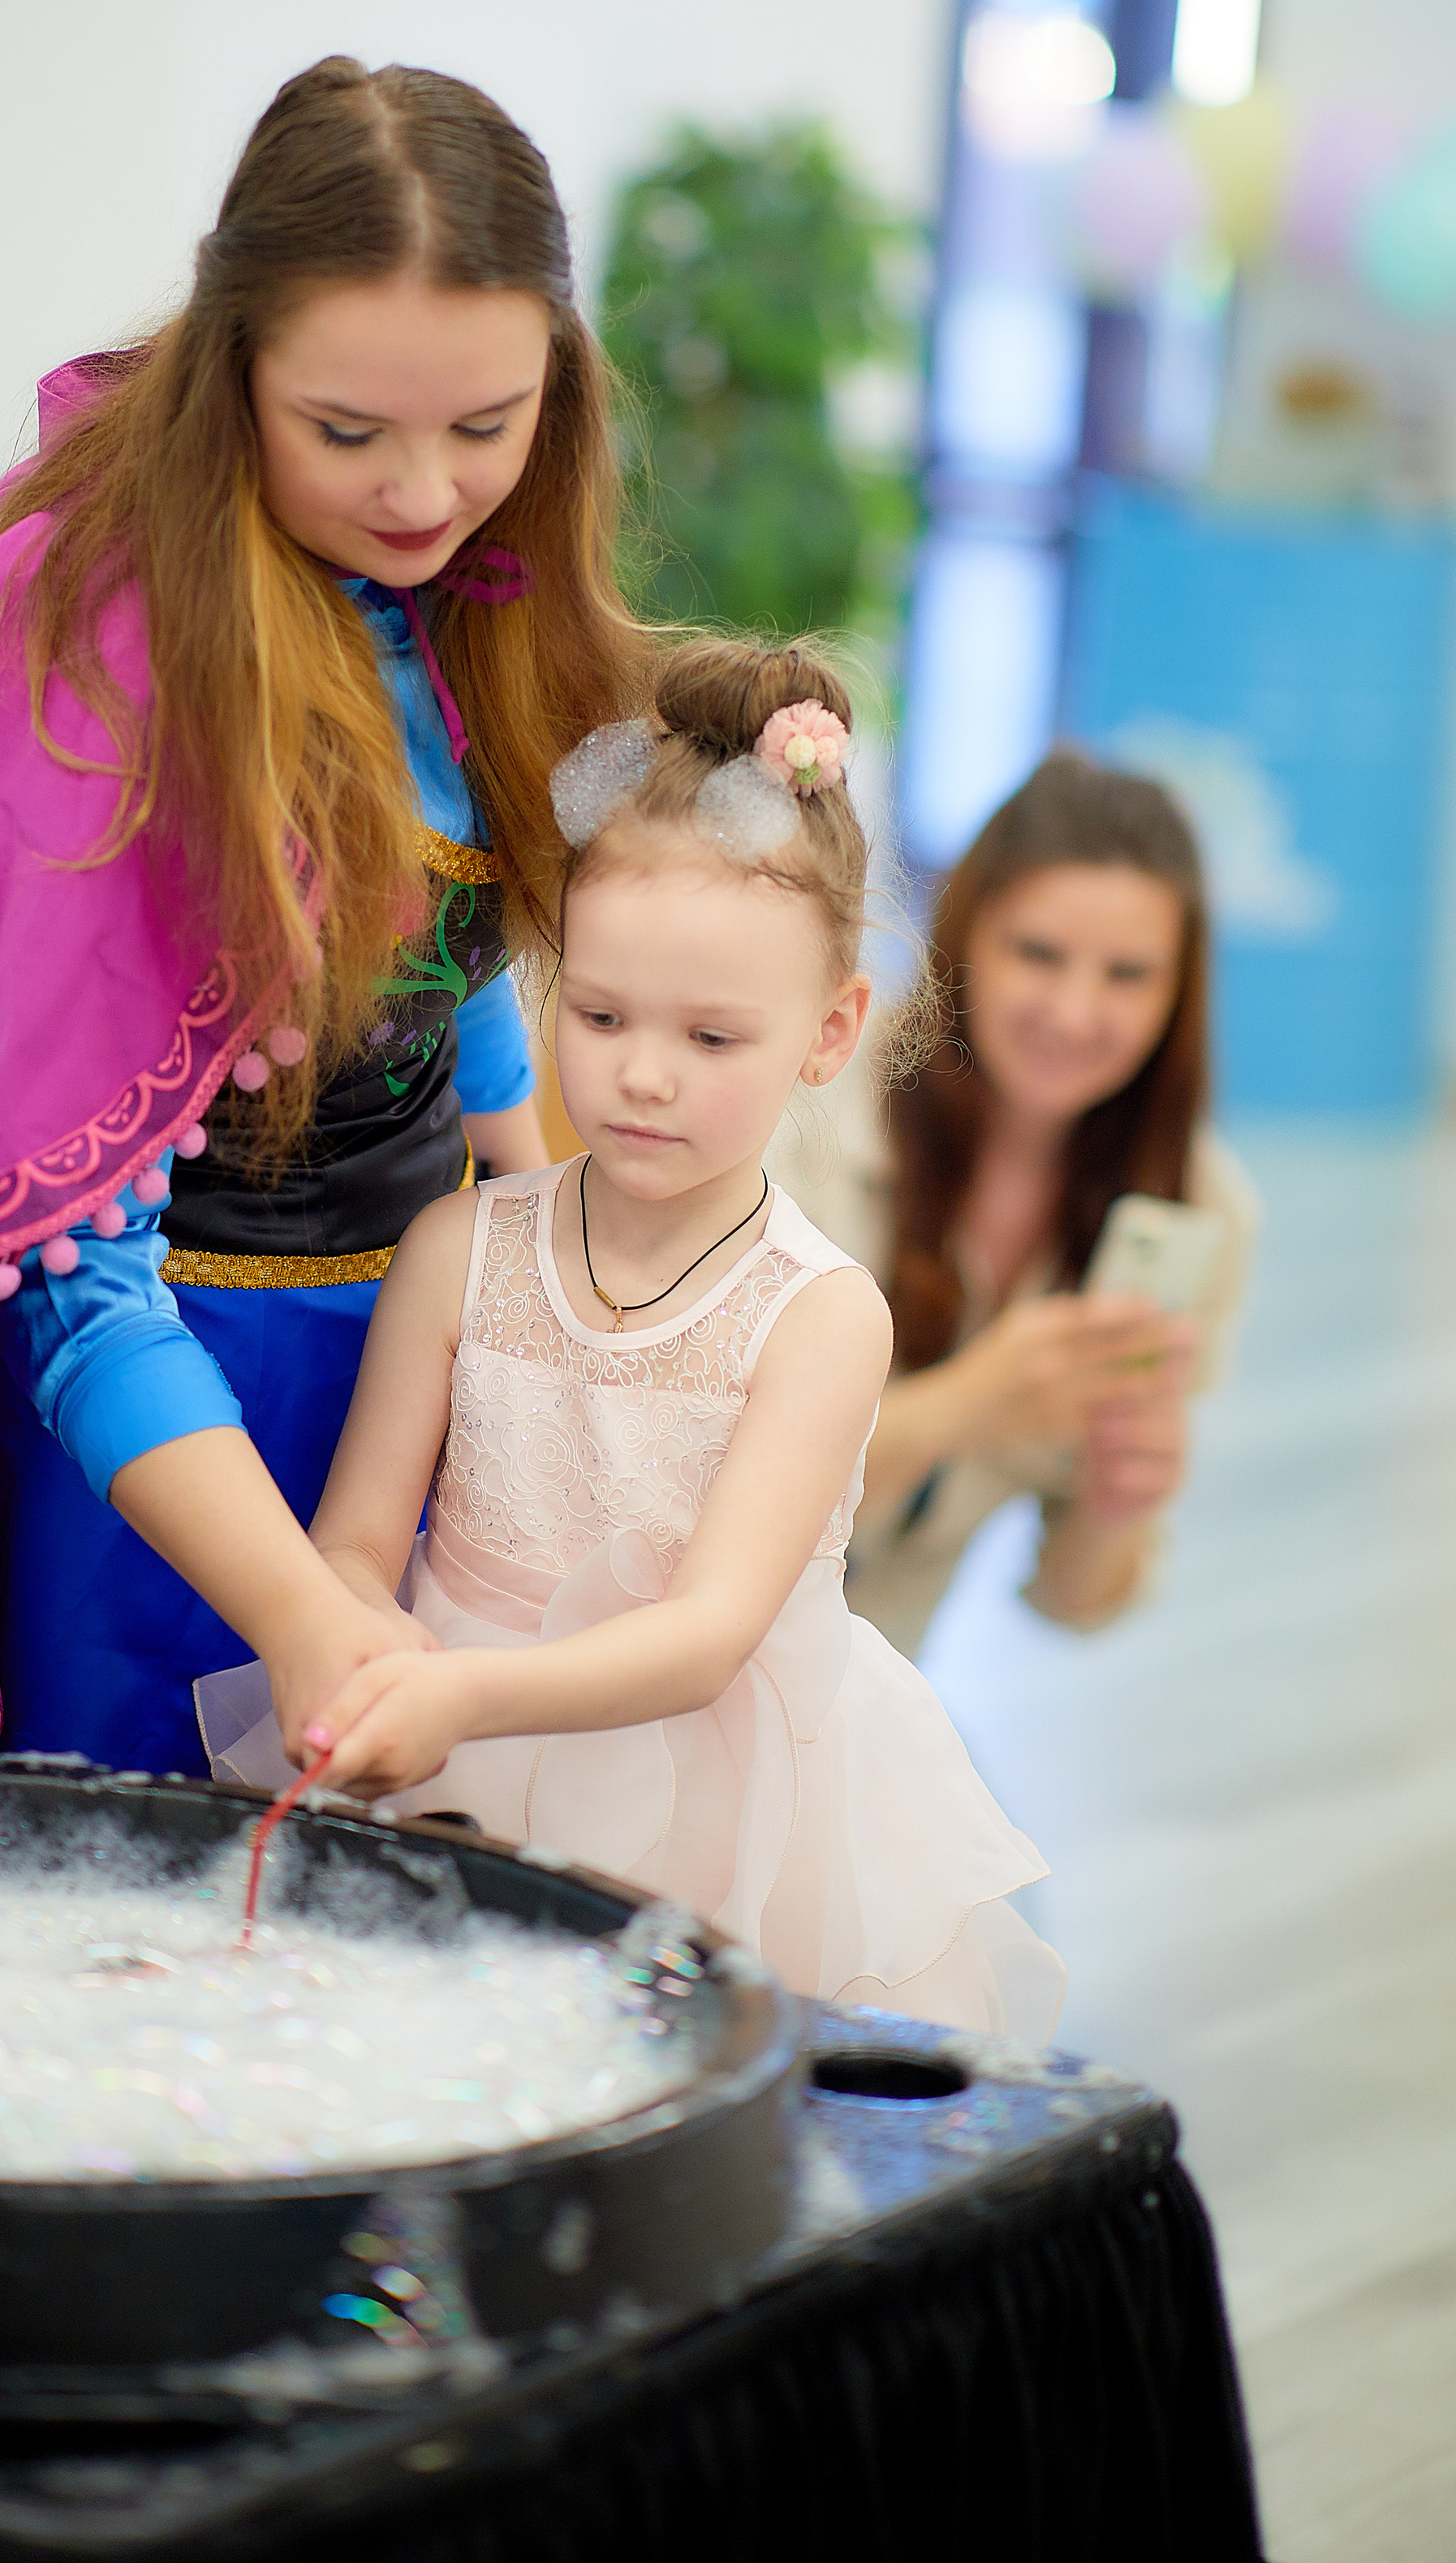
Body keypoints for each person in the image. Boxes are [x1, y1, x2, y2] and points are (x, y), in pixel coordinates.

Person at [0, 59, 651, 1771]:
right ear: (230, 363)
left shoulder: (470, 596)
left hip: (400, 1402)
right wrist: (305, 1607)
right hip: (144, 1440)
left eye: (487, 426)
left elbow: (448, 947)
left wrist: (558, 1252)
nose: (423, 491)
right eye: (348, 432)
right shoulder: (72, 654)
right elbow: (65, 1276)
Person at [231, 641, 1062, 2035]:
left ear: (830, 1028)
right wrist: (360, 1654)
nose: (645, 1074)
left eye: (714, 1037)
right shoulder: (462, 1245)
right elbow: (359, 1538)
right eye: (603, 1013)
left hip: (713, 1808)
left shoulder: (818, 1313)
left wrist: (462, 1700)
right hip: (453, 1764)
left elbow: (707, 1634)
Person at [775, 752, 1259, 1660]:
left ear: (1177, 992)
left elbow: (1072, 1604)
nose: (1076, 1013)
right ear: (967, 940)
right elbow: (709, 1485)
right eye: (1038, 954)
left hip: (874, 1683)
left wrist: (1122, 1506)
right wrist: (976, 1397)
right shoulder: (813, 1096)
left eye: (1127, 974)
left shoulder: (1203, 1208)